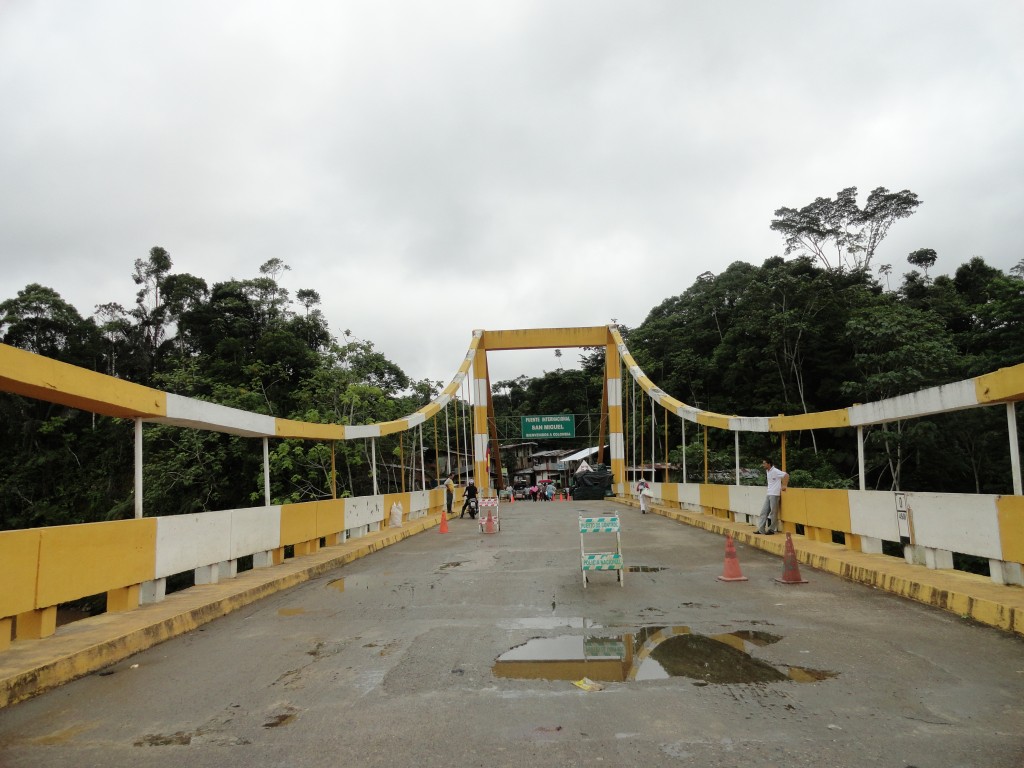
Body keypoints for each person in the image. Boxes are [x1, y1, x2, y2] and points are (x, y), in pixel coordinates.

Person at [755, 457, 789, 534]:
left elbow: (786, 475)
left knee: (773, 512)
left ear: (769, 464)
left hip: (775, 494)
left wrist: (784, 485)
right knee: (764, 512)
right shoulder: (768, 471)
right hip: (769, 493)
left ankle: (771, 529)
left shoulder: (775, 471)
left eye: (764, 463)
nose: (763, 465)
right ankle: (761, 529)